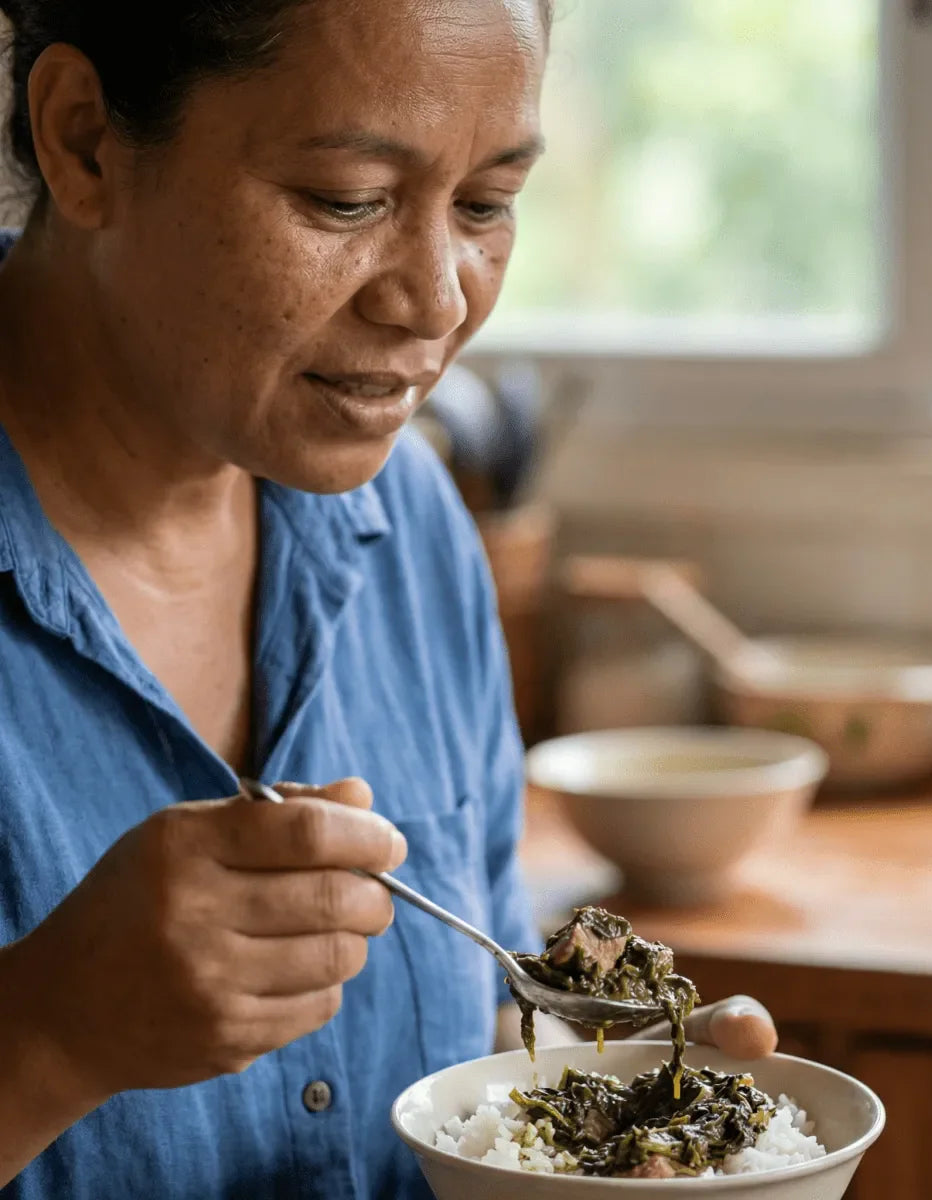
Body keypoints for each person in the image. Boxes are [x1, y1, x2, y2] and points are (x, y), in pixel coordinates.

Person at [0, 1, 779, 1196]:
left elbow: (474, 1082)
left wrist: (631, 1128)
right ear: (86, 138)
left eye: (485, 205)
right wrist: (41, 1037)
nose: (437, 300)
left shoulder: (412, 526)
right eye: (348, 199)